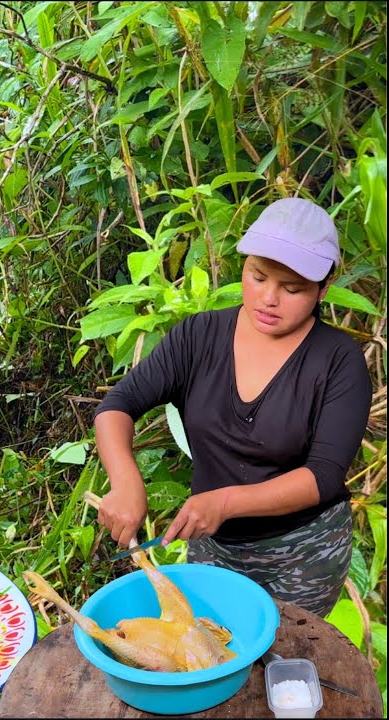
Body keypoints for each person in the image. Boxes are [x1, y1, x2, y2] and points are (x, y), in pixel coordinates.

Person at [94, 197, 372, 616]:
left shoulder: (338, 361)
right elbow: (119, 404)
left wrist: (224, 503)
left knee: (284, 662)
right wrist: (125, 479)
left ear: (324, 287)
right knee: (211, 647)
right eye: (257, 277)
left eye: (292, 288)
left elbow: (324, 475)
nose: (269, 299)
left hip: (303, 554)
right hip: (213, 547)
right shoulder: (198, 336)